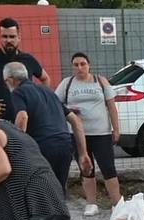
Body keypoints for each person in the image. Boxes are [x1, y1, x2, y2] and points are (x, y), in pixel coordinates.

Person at [5, 60, 86, 189]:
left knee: (41, 191)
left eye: (5, 81)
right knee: (59, 191)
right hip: (64, 145)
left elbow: (22, 117)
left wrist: (18, 148)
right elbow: (75, 120)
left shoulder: (18, 92)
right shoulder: (48, 92)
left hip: (42, 146)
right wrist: (83, 153)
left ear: (10, 79)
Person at [58, 52, 122, 216]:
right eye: (76, 64)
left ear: (89, 65)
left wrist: (116, 129)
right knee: (86, 168)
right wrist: (69, 111)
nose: (80, 67)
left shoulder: (100, 81)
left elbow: (112, 107)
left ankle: (116, 203)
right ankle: (91, 203)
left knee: (108, 167)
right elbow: (55, 103)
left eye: (83, 64)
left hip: (101, 133)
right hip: (78, 134)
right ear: (72, 67)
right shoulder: (67, 83)